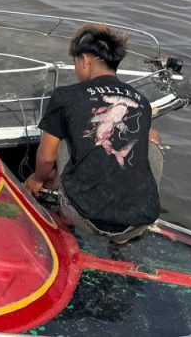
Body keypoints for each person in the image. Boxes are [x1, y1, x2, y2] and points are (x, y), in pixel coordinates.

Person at [25, 23, 162, 244]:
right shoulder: (142, 101)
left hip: (84, 217)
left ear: (85, 60)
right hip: (139, 220)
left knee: (61, 137)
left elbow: (47, 157)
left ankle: (64, 216)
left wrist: (37, 178)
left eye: (75, 63)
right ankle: (122, 238)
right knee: (151, 136)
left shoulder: (65, 96)